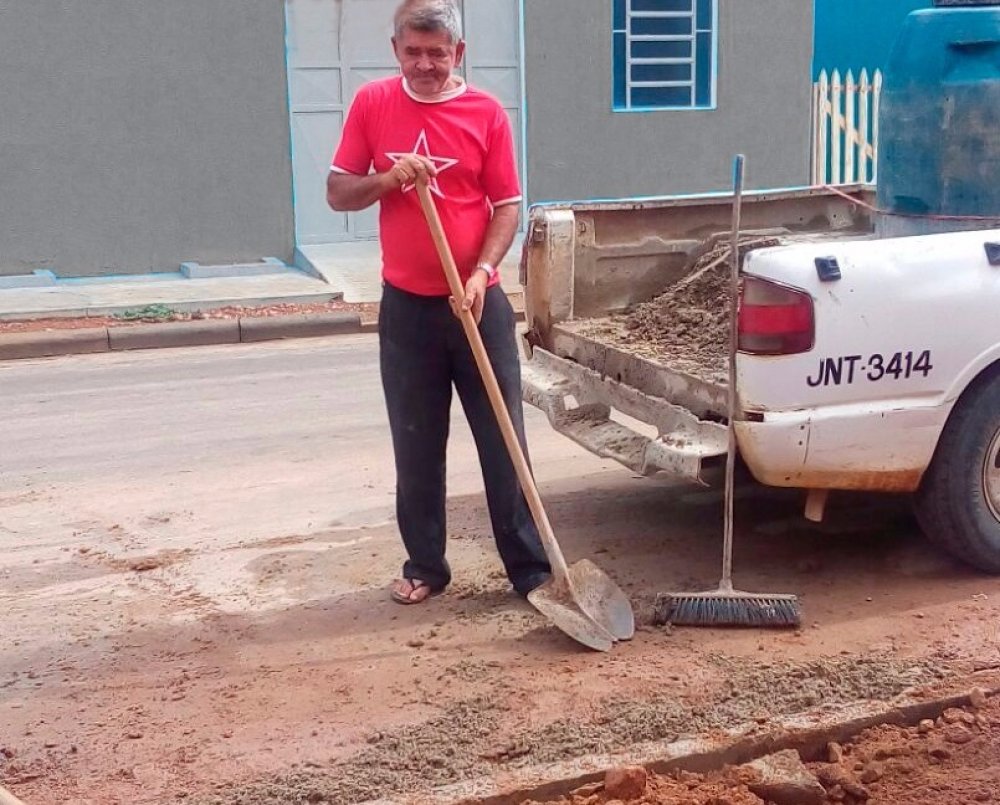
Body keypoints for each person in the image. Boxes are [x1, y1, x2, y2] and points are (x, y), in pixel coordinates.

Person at [326, 0, 551, 605]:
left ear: (459, 54)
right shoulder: (373, 103)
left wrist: (482, 273)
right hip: (408, 310)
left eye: (438, 52)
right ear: (396, 49)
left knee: (504, 442)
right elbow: (338, 191)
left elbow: (506, 203)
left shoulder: (486, 113)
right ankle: (426, 565)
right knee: (416, 442)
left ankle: (531, 571)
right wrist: (390, 179)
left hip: (478, 305)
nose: (425, 64)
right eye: (414, 51)